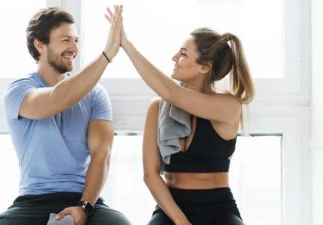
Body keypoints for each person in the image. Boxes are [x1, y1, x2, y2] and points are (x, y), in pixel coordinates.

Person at [106, 5, 254, 225]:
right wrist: (181, 221)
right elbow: (150, 175)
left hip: (219, 208)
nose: (174, 57)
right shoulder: (157, 108)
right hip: (170, 207)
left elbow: (172, 92)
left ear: (204, 68)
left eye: (183, 54)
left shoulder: (228, 106)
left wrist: (126, 45)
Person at [0, 6, 131, 225]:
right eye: (65, 40)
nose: (74, 47)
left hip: (83, 199)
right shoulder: (18, 91)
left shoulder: (95, 93)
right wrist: (106, 55)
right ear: (40, 44)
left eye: (77, 40)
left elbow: (101, 154)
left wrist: (84, 207)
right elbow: (57, 100)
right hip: (32, 200)